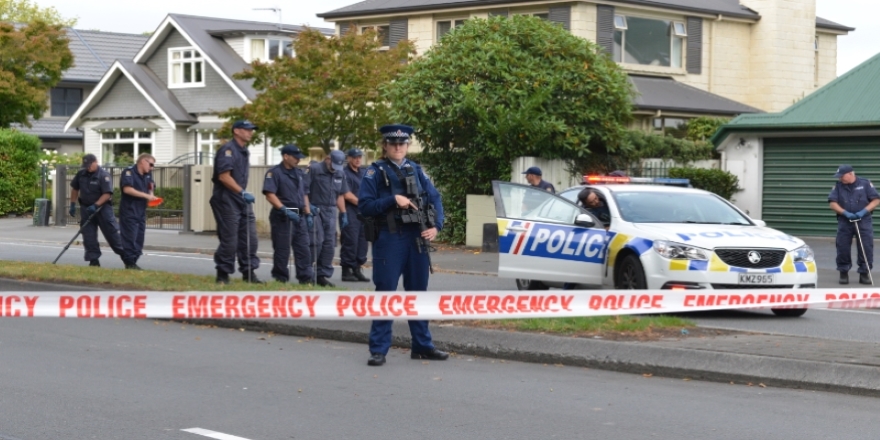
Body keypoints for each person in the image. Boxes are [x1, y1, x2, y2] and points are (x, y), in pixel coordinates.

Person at [359, 124, 448, 367]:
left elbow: (436, 198)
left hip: (417, 237)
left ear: (407, 145)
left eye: (402, 143)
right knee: (386, 292)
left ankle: (422, 346)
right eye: (393, 143)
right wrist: (392, 200)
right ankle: (378, 349)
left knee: (418, 293)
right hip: (390, 238)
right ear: (385, 145)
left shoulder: (416, 169)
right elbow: (364, 206)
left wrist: (437, 226)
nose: (398, 147)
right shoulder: (374, 172)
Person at [210, 120, 263, 284]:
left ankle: (249, 273)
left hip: (240, 199)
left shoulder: (243, 151)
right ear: (237, 131)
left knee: (250, 238)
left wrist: (242, 193)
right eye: (247, 130)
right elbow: (224, 176)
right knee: (230, 239)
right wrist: (242, 191)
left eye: (251, 130)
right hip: (226, 198)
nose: (251, 132)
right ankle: (222, 274)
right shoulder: (228, 150)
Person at [262, 144, 315, 284]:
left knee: (303, 249)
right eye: (295, 157)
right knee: (282, 249)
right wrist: (284, 209)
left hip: (299, 217)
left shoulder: (299, 173)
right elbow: (269, 194)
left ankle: (306, 279)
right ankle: (281, 279)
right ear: (286, 156)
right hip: (282, 217)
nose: (298, 160)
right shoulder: (274, 173)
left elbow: (304, 194)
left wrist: (308, 213)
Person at [68, 153, 126, 267]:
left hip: (102, 209)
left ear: (96, 162)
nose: (88, 167)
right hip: (86, 208)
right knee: (88, 236)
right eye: (86, 165)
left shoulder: (103, 175)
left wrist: (96, 205)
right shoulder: (81, 174)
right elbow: (75, 189)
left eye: (90, 165)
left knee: (113, 235)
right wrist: (72, 204)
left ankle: (127, 258)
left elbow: (107, 194)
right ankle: (93, 261)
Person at [828, 164, 879, 285]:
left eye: (842, 176)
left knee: (865, 247)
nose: (840, 178)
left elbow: (876, 199)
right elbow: (832, 203)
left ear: (851, 174)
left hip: (864, 220)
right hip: (845, 221)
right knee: (842, 247)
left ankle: (864, 273)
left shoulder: (865, 184)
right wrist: (844, 212)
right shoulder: (838, 187)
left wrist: (864, 211)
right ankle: (843, 272)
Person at [307, 149, 351, 287]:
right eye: (333, 165)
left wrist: (343, 212)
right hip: (315, 209)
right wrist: (307, 208)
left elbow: (340, 195)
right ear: (327, 159)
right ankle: (307, 273)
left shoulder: (340, 172)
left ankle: (322, 275)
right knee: (316, 242)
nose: (334, 169)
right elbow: (301, 191)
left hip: (331, 210)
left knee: (329, 245)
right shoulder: (313, 169)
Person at [118, 153, 159, 270]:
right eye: (150, 164)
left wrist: (151, 195)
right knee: (130, 238)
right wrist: (146, 196)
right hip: (129, 211)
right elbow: (127, 189)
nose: (151, 168)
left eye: (153, 166)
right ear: (143, 161)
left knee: (139, 238)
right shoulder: (129, 172)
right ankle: (130, 263)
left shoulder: (148, 174)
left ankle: (133, 261)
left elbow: (151, 184)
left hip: (140, 211)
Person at [340, 148, 371, 282]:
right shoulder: (344, 174)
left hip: (364, 213)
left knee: (362, 242)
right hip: (350, 212)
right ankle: (346, 271)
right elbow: (347, 194)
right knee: (350, 241)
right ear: (349, 158)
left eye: (359, 157)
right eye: (355, 157)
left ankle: (357, 269)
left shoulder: (364, 173)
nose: (358, 159)